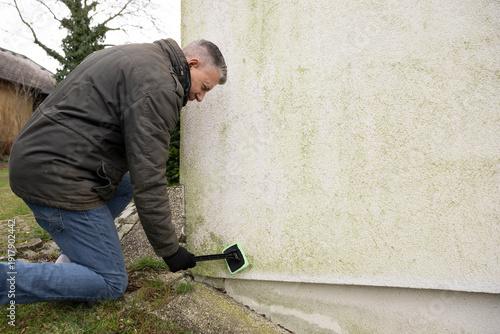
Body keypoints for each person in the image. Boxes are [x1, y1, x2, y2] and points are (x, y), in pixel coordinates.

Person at [0, 38, 227, 304]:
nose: (200, 97)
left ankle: (79, 253)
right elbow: (150, 181)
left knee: (127, 182)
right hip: (56, 176)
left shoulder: (139, 55)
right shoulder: (161, 87)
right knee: (110, 282)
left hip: (43, 161)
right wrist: (171, 251)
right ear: (192, 63)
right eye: (204, 87)